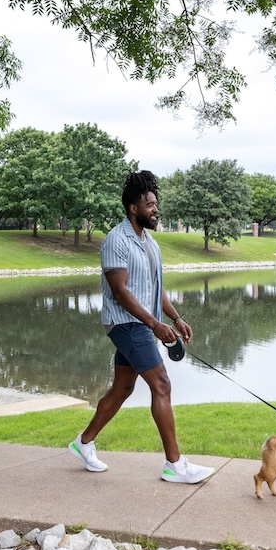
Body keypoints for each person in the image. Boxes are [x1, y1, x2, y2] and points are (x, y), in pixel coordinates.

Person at [68, 170, 215, 484]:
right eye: (149, 204)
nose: (155, 209)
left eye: (155, 204)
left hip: (142, 323)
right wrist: (155, 325)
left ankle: (83, 443)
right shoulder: (115, 241)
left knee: (123, 388)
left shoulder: (150, 243)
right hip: (124, 322)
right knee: (161, 383)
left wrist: (175, 318)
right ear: (133, 208)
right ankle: (174, 465)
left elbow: (154, 288)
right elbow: (121, 292)